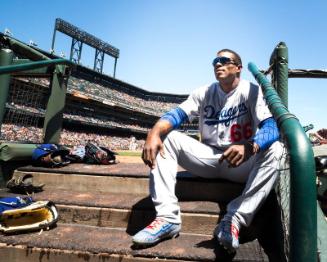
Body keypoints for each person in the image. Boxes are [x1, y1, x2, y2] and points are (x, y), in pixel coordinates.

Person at [132, 49, 284, 253]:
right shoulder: (204, 92)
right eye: (215, 61)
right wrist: (154, 132)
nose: (218, 64)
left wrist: (250, 146)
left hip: (240, 162)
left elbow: (271, 127)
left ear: (239, 67)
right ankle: (167, 219)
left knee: (277, 149)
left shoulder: (252, 91)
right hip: (208, 158)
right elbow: (177, 114)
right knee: (166, 137)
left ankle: (234, 220)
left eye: (224, 60)